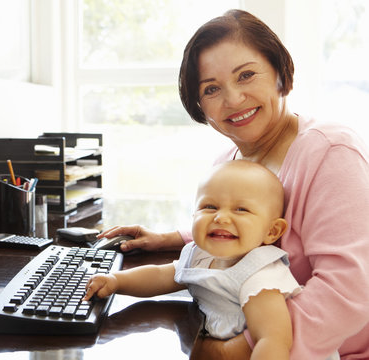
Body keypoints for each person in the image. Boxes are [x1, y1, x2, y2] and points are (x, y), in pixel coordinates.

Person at [97, 9, 369, 359]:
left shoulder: (331, 152)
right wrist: (173, 238)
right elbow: (238, 225)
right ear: (199, 106)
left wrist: (235, 351)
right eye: (211, 88)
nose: (233, 99)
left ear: (279, 75)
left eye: (246, 75)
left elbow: (349, 289)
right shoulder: (229, 160)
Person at [86, 160, 304, 359]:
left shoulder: (260, 276)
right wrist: (115, 281)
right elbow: (163, 275)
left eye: (241, 209)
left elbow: (273, 341)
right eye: (209, 207)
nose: (221, 217)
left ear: (272, 230)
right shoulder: (199, 254)